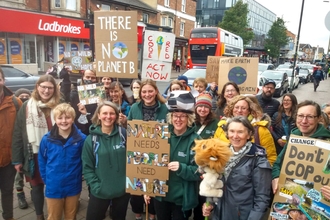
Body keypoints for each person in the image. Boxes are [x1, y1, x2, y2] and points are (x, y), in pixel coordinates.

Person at [145, 90, 200, 220]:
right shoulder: (160, 135)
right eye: (175, 116)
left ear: (189, 118)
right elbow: (148, 162)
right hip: (160, 195)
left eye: (182, 116)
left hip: (181, 199)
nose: (178, 119)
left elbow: (199, 172)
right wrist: (147, 188)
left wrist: (182, 168)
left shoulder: (196, 140)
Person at [12, 75, 61, 220]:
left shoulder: (60, 104)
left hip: (56, 154)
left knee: (55, 185)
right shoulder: (27, 106)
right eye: (43, 87)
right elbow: (18, 133)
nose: (46, 91)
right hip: (34, 154)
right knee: (37, 186)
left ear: (55, 89)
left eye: (50, 88)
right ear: (37, 87)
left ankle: (56, 213)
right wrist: (17, 160)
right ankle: (39, 215)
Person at [202, 116, 272, 220]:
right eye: (232, 131)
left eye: (240, 132)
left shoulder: (258, 159)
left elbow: (262, 198)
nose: (235, 136)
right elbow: (216, 183)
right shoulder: (221, 154)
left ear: (248, 135)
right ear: (227, 133)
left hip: (243, 215)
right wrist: (210, 204)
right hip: (220, 212)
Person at [82, 101, 130, 220]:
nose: (108, 117)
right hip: (100, 191)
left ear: (116, 115)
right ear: (98, 115)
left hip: (122, 191)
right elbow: (87, 167)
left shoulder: (124, 135)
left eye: (112, 113)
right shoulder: (91, 139)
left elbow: (134, 159)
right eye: (105, 113)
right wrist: (95, 186)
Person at [127, 79, 168, 220]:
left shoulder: (165, 109)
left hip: (157, 154)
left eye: (150, 91)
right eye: (144, 91)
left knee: (154, 188)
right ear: (140, 93)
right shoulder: (134, 108)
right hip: (137, 154)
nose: (147, 94)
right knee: (137, 190)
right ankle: (138, 215)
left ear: (156, 91)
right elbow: (130, 130)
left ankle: (152, 215)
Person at [38, 103, 86, 220]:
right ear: (55, 119)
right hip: (53, 185)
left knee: (71, 216)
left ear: (73, 119)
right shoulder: (47, 139)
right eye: (60, 118)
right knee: (54, 216)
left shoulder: (81, 139)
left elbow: (85, 160)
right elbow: (42, 161)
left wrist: (79, 176)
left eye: (68, 117)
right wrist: (47, 179)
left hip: (73, 185)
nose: (64, 121)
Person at [272, 100, 330, 195]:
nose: (304, 121)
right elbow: (277, 164)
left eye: (310, 117)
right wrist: (276, 177)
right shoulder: (294, 138)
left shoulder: (327, 144)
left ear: (319, 118)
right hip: (289, 196)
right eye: (300, 116)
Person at [214, 95, 277, 166]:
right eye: (236, 107)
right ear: (232, 109)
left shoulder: (260, 130)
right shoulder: (222, 127)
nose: (239, 111)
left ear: (250, 111)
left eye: (243, 108)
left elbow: (271, 157)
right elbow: (214, 151)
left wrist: (261, 173)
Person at [0, 67, 22, 220]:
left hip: (8, 158)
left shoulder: (15, 102)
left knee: (7, 191)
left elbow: (21, 131)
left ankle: (8, 217)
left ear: (3, 80)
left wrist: (18, 157)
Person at [193, 92, 219, 220]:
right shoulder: (191, 120)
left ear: (210, 109)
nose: (203, 109)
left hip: (207, 166)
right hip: (192, 163)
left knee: (203, 199)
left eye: (206, 107)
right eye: (200, 106)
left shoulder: (216, 123)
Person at [13, 88, 32, 209]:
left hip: (29, 148)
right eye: (22, 97)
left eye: (27, 96)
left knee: (31, 174)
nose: (24, 98)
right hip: (20, 148)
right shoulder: (15, 111)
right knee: (18, 176)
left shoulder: (31, 110)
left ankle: (32, 191)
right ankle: (20, 194)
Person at [70, 69, 98, 135]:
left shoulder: (100, 94)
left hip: (94, 129)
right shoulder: (75, 93)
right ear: (83, 77)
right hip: (77, 130)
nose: (90, 79)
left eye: (93, 78)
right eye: (87, 77)